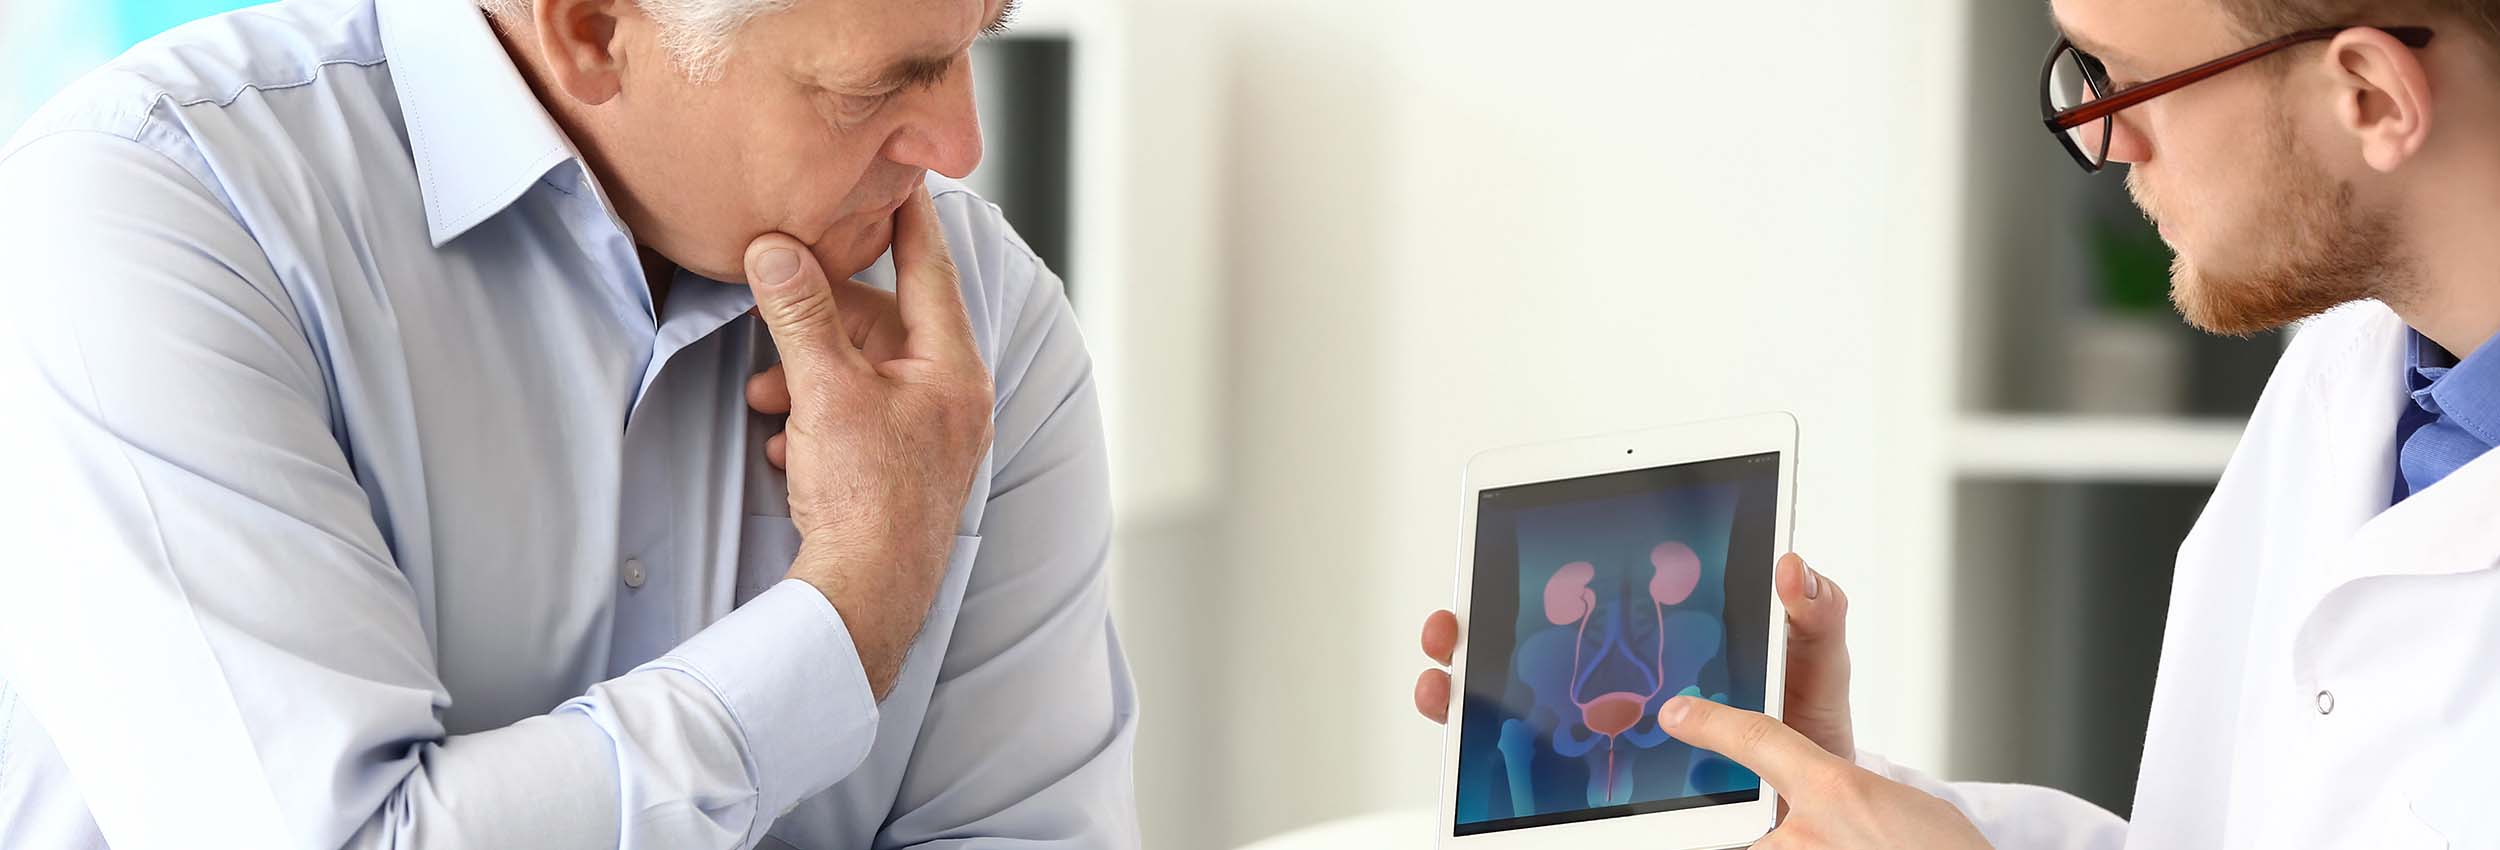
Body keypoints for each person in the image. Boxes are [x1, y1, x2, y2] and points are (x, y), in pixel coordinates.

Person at [0, 0, 1139, 846]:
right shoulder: (158, 209)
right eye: (874, 87)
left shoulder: (981, 323)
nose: (960, 146)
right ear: (591, 29)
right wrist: (851, 608)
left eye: (974, 38)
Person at [1416, 0, 2500, 847]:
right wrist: (1830, 792)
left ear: (2367, 95)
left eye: (2128, 81)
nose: (2110, 140)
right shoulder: (2360, 378)